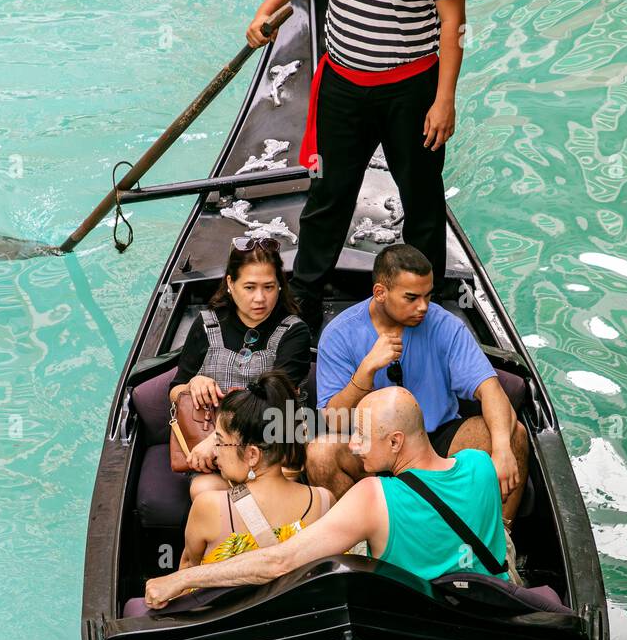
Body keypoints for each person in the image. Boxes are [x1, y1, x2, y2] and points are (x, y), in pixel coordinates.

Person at [245, 0, 469, 337]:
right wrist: (266, 9)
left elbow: (452, 27)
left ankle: (420, 300)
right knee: (328, 196)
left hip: (410, 92)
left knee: (422, 199)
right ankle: (303, 296)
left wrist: (444, 100)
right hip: (343, 85)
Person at [144, 386, 508, 608]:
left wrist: (178, 580)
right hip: (491, 614)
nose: (352, 445)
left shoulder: (372, 496)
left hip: (417, 631)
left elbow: (277, 564)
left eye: (361, 435)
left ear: (396, 442)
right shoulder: (479, 463)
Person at [308, 243, 529, 528]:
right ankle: (366, 546)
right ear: (380, 293)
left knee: (514, 433)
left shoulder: (446, 325)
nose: (423, 307)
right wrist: (365, 372)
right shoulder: (339, 334)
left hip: (436, 442)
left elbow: (490, 390)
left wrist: (502, 450)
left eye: (428, 296)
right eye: (411, 298)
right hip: (371, 448)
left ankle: (500, 541)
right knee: (320, 454)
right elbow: (333, 421)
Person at [169, 237, 311, 497]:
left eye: (269, 287)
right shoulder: (205, 324)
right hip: (213, 456)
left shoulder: (294, 332)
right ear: (230, 284)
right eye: (249, 287)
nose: (260, 298)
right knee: (203, 489)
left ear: (280, 286)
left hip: (272, 451)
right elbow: (175, 389)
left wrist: (218, 440)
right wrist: (192, 385)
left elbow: (274, 399)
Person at [180, 371, 333, 567]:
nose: (215, 452)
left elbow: (188, 570)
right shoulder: (324, 501)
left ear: (252, 455)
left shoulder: (209, 506)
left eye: (219, 441)